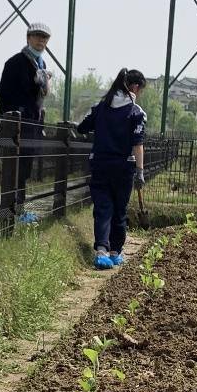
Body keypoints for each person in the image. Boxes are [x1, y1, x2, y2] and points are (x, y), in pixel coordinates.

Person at [76, 68, 147, 269]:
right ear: (135, 87)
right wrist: (140, 172)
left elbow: (82, 127)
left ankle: (101, 250)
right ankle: (115, 251)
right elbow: (138, 144)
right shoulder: (136, 112)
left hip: (99, 164)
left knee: (103, 208)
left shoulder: (101, 107)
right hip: (123, 167)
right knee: (119, 209)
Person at [0, 21, 51, 222]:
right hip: (18, 123)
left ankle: (19, 208)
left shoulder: (41, 65)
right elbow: (3, 93)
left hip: (33, 124)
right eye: (37, 36)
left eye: (44, 38)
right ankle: (11, 211)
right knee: (15, 168)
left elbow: (40, 95)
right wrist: (9, 119)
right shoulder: (16, 62)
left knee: (26, 168)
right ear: (28, 38)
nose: (40, 41)